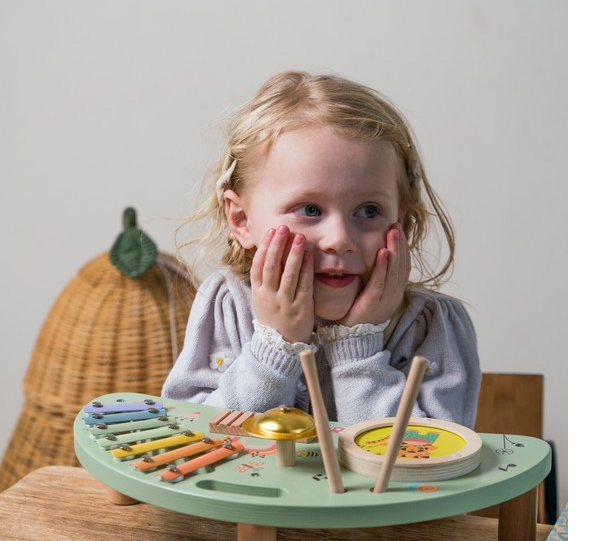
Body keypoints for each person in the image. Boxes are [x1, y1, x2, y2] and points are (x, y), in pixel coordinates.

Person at [164, 70, 479, 426]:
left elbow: (429, 461)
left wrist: (357, 350)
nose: (340, 239)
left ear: (400, 219)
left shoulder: (432, 325)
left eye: (369, 211)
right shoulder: (228, 306)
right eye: (310, 210)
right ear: (241, 220)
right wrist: (275, 349)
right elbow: (192, 436)